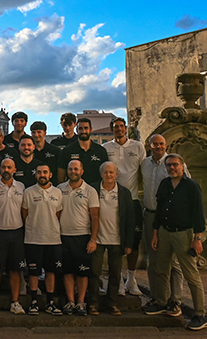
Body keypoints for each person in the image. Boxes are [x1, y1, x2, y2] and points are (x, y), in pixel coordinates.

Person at [144, 154, 207, 331]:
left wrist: (197, 238)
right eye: (168, 165)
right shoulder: (165, 184)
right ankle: (161, 302)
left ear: (182, 166)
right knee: (162, 270)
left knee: (191, 274)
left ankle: (200, 314)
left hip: (183, 234)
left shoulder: (191, 186)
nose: (171, 168)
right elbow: (159, 210)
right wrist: (155, 233)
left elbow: (198, 213)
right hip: (165, 232)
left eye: (175, 165)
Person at [140, 134, 187, 313]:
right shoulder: (144, 164)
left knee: (173, 261)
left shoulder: (173, 163)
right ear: (150, 146)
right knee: (153, 259)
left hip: (170, 217)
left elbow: (185, 187)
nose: (158, 147)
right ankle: (157, 297)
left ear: (165, 145)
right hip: (150, 215)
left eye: (161, 144)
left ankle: (175, 300)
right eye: (155, 144)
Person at [102, 117, 146, 296]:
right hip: (112, 200)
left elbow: (143, 171)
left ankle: (131, 279)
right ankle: (118, 279)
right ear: (111, 129)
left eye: (121, 126)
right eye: (115, 127)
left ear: (126, 128)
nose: (119, 129)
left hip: (132, 200)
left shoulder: (137, 146)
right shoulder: (106, 148)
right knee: (115, 242)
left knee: (133, 242)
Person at [89, 162, 135, 316]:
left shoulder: (124, 193)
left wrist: (129, 243)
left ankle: (112, 303)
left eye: (111, 172)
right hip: (97, 239)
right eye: (105, 172)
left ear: (116, 174)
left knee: (115, 274)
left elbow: (130, 219)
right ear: (101, 174)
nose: (108, 175)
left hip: (117, 239)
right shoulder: (93, 189)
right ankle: (93, 303)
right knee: (94, 272)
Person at [57, 160, 99, 316]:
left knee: (82, 272)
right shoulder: (60, 189)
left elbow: (95, 217)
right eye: (70, 169)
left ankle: (81, 302)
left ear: (82, 171)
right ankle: (70, 301)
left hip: (82, 237)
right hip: (63, 236)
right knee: (67, 271)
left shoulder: (90, 191)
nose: (73, 171)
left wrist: (93, 239)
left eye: (76, 169)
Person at [0, 158, 27, 315]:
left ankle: (15, 302)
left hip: (16, 232)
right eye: (4, 167)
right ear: (0, 169)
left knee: (15, 270)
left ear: (14, 170)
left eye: (9, 167)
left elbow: (24, 210)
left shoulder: (21, 187)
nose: (6, 170)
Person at [21, 164, 63, 315]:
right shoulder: (28, 192)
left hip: (52, 239)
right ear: (36, 175)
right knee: (33, 272)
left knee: (51, 271)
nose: (42, 175)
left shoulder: (58, 192)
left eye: (45, 172)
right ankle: (34, 302)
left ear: (50, 174)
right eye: (39, 172)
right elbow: (25, 214)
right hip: (33, 239)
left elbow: (58, 214)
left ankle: (50, 302)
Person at [57, 117, 108, 185]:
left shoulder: (100, 151)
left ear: (91, 129)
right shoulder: (67, 151)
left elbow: (106, 173)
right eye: (80, 128)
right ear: (77, 130)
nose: (83, 131)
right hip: (74, 189)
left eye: (86, 128)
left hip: (96, 189)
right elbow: (61, 178)